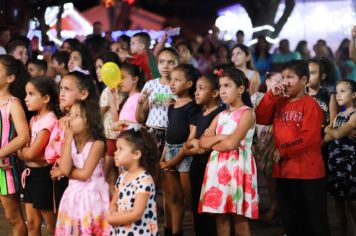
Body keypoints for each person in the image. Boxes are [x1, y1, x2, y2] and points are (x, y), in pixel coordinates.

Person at [255, 60, 330, 236]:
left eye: (290, 77)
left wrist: (283, 150)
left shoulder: (311, 105)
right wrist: (271, 96)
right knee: (291, 221)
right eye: (283, 77)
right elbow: (260, 118)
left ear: (304, 80)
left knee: (314, 222)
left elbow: (309, 138)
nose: (285, 81)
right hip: (283, 171)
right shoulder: (280, 101)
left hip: (307, 173)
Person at [199, 67, 258, 236]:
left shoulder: (247, 113)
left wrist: (215, 140)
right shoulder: (221, 115)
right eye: (221, 86)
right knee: (221, 217)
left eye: (227, 86)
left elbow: (232, 144)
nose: (222, 91)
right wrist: (222, 137)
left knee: (239, 219)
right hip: (218, 167)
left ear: (240, 89)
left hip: (238, 166)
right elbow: (202, 142)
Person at [52, 100, 111, 235]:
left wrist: (63, 171)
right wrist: (67, 140)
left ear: (90, 121)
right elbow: (66, 168)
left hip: (93, 196)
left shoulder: (97, 144)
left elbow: (84, 174)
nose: (70, 118)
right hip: (73, 195)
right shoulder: (69, 142)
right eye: (70, 114)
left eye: (77, 115)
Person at [47, 71, 99, 209]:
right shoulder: (62, 121)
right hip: (67, 182)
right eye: (61, 88)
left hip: (86, 188)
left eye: (67, 89)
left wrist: (63, 170)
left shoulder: (84, 126)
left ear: (84, 94)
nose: (62, 93)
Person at [160, 64, 200, 236]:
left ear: (189, 84)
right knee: (174, 197)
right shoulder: (172, 106)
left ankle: (198, 230)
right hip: (169, 151)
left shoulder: (192, 106)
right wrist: (163, 156)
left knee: (189, 199)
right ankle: (176, 232)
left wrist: (179, 156)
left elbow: (192, 134)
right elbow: (169, 132)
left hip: (185, 155)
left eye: (177, 80)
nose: (172, 83)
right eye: (171, 80)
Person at [18, 76, 61, 235]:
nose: (26, 98)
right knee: (32, 223)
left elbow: (30, 153)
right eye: (26, 94)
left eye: (30, 94)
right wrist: (23, 150)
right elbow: (28, 152)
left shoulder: (49, 121)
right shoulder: (35, 119)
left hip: (43, 176)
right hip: (31, 175)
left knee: (51, 226)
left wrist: (18, 149)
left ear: (46, 98)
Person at [188, 73, 223, 235]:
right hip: (196, 166)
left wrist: (198, 144)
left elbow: (205, 146)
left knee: (210, 212)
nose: (196, 92)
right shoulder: (200, 114)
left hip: (210, 169)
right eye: (196, 88)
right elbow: (191, 142)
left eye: (201, 89)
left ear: (215, 93)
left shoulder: (219, 114)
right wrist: (196, 144)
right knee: (197, 209)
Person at [107, 128, 159, 235]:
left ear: (136, 154)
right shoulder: (122, 177)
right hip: (122, 231)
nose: (115, 153)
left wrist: (112, 219)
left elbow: (136, 214)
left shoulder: (144, 180)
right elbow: (114, 201)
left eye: (120, 149)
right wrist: (112, 209)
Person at [0, 55, 30, 236]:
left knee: (13, 217)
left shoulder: (13, 104)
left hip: (6, 168)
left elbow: (24, 136)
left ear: (10, 78)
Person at [324, 79, 356, 235]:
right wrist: (331, 131)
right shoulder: (339, 116)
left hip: (351, 164)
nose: (338, 95)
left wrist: (331, 130)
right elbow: (328, 135)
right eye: (337, 92)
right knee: (338, 203)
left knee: (353, 203)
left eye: (343, 91)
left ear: (354, 94)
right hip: (335, 165)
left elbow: (335, 133)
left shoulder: (355, 115)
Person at [251, 71, 282, 222]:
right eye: (276, 79)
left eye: (281, 80)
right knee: (261, 176)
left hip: (273, 141)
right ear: (267, 81)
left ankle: (275, 206)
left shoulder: (282, 99)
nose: (279, 83)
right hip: (258, 140)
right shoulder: (256, 97)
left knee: (272, 176)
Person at [135, 48, 179, 154]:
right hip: (151, 132)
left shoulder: (180, 86)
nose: (165, 66)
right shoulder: (150, 85)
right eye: (161, 62)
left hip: (172, 135)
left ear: (178, 64)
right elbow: (140, 119)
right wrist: (140, 103)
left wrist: (175, 104)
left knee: (166, 168)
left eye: (170, 62)